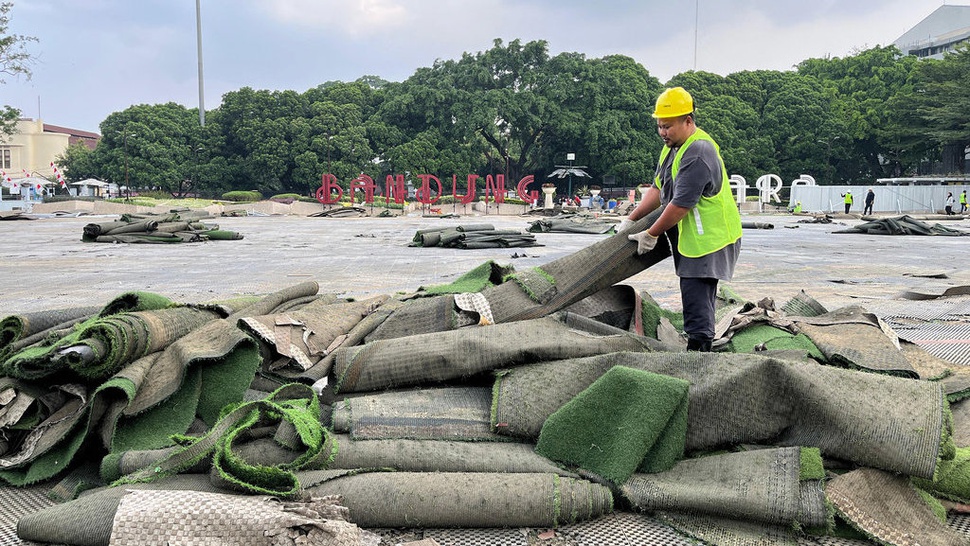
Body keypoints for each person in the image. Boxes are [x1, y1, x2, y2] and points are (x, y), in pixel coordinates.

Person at [617, 87, 742, 352]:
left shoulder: (697, 153)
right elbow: (658, 188)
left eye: (668, 126)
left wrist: (651, 233)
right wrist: (632, 218)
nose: (663, 132)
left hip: (709, 239)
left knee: (696, 297)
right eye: (660, 126)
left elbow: (681, 205)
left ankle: (699, 354)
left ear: (688, 120)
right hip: (692, 239)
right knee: (694, 295)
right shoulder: (672, 148)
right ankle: (699, 343)